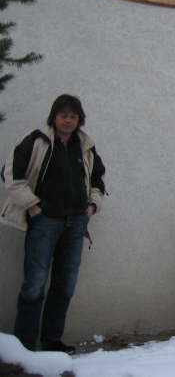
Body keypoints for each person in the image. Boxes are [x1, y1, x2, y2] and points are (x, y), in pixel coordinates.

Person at [1, 94, 106, 353]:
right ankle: (24, 346)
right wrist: (32, 206)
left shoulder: (85, 146)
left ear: (79, 119)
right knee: (34, 283)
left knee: (65, 285)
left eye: (73, 116)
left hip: (76, 223)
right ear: (54, 117)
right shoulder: (37, 141)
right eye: (63, 115)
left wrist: (92, 206)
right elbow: (10, 175)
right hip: (44, 221)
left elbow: (98, 179)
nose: (68, 120)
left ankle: (51, 342)